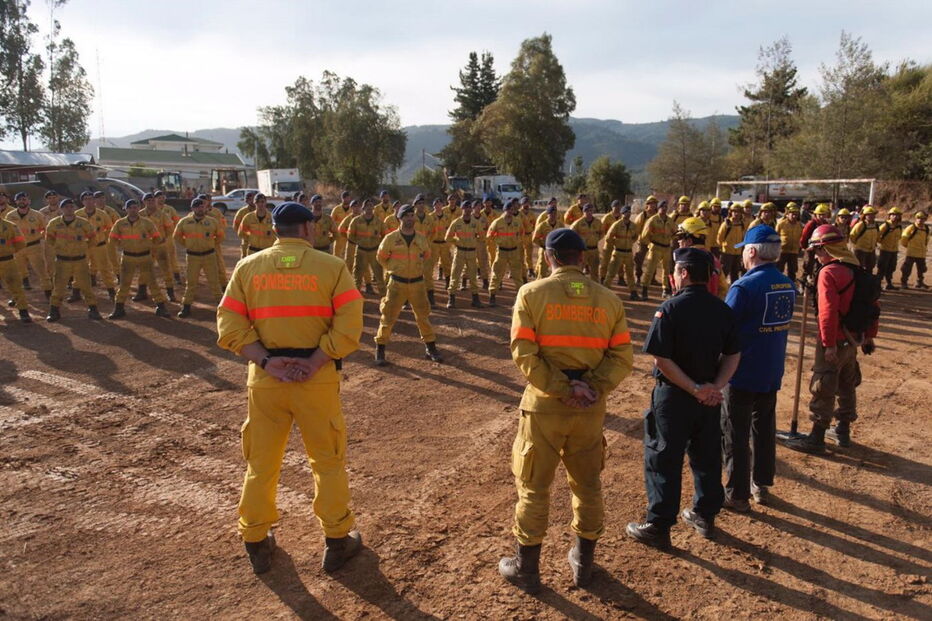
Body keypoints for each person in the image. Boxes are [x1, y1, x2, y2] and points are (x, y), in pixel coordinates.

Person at [216, 202, 365, 575]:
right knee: (327, 462)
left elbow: (228, 324)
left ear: (275, 231)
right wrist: (316, 361)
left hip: (266, 380)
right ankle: (336, 542)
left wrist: (267, 361)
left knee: (261, 465)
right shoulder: (331, 267)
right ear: (309, 229)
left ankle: (255, 539)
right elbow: (350, 325)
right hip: (316, 381)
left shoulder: (248, 267)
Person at [500, 228, 633, 592]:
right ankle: (584, 563)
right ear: (583, 258)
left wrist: (561, 387)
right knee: (588, 484)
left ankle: (527, 569)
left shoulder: (531, 294)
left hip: (544, 407)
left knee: (533, 488)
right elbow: (623, 356)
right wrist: (590, 387)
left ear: (549, 258)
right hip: (589, 409)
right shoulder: (609, 300)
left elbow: (523, 354)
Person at [626, 247, 740, 549]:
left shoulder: (670, 309)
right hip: (709, 399)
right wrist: (714, 387)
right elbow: (733, 354)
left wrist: (693, 388)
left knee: (663, 457)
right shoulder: (723, 309)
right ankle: (704, 514)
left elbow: (661, 359)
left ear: (684, 273)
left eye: (676, 271)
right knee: (706, 455)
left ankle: (659, 525)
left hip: (675, 397)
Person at [720, 226, 794, 512]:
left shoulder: (744, 287)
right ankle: (760, 484)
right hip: (771, 369)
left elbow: (725, 329)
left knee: (735, 433)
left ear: (751, 251)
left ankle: (737, 494)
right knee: (764, 428)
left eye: (743, 250)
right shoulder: (787, 283)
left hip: (741, 372)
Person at [786, 225, 878, 453]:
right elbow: (874, 306)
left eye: (818, 251)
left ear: (827, 249)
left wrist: (828, 344)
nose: (816, 256)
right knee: (847, 384)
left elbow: (827, 313)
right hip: (854, 338)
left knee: (824, 385)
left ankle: (816, 438)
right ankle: (842, 430)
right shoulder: (858, 269)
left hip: (835, 340)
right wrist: (869, 337)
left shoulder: (829, 273)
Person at [374, 204, 443, 365]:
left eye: (412, 215)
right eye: (406, 215)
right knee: (388, 317)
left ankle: (430, 348)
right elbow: (381, 257)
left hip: (417, 284)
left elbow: (426, 255)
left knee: (423, 317)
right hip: (397, 284)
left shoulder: (420, 238)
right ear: (399, 218)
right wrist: (393, 269)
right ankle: (380, 348)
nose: (410, 218)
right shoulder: (390, 238)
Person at [107, 199, 171, 319]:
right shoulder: (119, 224)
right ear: (125, 209)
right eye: (130, 207)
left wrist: (149, 246)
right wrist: (122, 245)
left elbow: (157, 238)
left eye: (135, 207)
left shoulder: (147, 223)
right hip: (128, 257)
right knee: (124, 284)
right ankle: (119, 308)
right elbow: (112, 240)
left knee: (152, 282)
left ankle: (161, 307)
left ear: (138, 208)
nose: (133, 210)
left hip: (145, 256)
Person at [45, 198, 102, 322]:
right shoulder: (54, 223)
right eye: (66, 207)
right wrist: (60, 247)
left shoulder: (84, 223)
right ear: (61, 209)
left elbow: (93, 239)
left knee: (86, 286)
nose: (69, 209)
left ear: (74, 208)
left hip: (80, 260)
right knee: (59, 286)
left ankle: (93, 309)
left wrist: (83, 248)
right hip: (62, 260)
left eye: (71, 206)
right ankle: (54, 310)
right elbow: (49, 239)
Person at [174, 198, 224, 318]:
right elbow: (177, 236)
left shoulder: (212, 221)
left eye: (202, 206)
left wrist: (210, 244)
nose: (200, 209)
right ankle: (186, 307)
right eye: (197, 206)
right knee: (191, 283)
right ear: (192, 208)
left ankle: (223, 308)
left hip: (209, 255)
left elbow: (220, 236)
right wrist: (188, 245)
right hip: (192, 257)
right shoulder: (184, 222)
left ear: (205, 208)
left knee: (214, 283)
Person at [6, 192, 51, 298]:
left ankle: (48, 293)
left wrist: (40, 237)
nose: (22, 201)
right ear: (16, 201)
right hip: (18, 248)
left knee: (42, 271)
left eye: (24, 199)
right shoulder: (10, 215)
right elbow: (7, 231)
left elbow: (45, 229)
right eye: (19, 199)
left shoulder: (37, 215)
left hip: (34, 247)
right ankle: (17, 296)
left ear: (29, 201)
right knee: (18, 272)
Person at [445, 199, 484, 308]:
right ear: (462, 209)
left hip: (472, 252)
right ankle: (451, 298)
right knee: (455, 275)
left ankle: (475, 299)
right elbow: (447, 237)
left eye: (469, 208)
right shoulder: (456, 222)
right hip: (460, 252)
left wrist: (474, 242)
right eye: (465, 208)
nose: (467, 210)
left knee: (473, 276)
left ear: (471, 209)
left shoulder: (476, 223)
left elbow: (482, 237)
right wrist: (456, 242)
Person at [487, 199, 526, 307]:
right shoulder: (497, 222)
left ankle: (520, 298)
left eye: (512, 209)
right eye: (508, 209)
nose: (510, 211)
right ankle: (492, 296)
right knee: (497, 273)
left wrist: (518, 240)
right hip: (502, 252)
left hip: (514, 251)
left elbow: (522, 232)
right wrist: (498, 241)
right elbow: (489, 236)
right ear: (504, 210)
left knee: (517, 275)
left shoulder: (517, 221)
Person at [139, 193, 177, 302]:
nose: (150, 202)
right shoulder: (140, 215)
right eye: (148, 201)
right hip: (146, 247)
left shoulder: (162, 214)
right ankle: (142, 291)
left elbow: (170, 228)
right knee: (144, 270)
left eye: (152, 200)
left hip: (160, 246)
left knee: (166, 269)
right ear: (144, 202)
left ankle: (170, 292)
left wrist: (164, 237)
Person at [347, 199, 386, 295]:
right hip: (361, 251)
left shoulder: (378, 222)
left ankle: (384, 298)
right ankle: (356, 297)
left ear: (373, 208)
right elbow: (350, 235)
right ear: (363, 208)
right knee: (357, 276)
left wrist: (379, 244)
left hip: (374, 252)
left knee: (379, 276)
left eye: (371, 205)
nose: (369, 207)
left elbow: (385, 235)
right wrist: (359, 242)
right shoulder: (356, 221)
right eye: (367, 205)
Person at [639, 198, 676, 299]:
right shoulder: (653, 220)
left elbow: (675, 232)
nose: (664, 209)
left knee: (666, 270)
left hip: (666, 248)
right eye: (662, 207)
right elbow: (644, 235)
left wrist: (671, 239)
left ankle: (665, 290)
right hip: (655, 247)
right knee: (650, 270)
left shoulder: (669, 220)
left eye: (665, 207)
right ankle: (644, 290)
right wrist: (649, 244)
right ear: (658, 208)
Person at [602, 205, 639, 300]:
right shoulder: (617, 225)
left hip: (629, 253)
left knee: (630, 274)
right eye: (626, 212)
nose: (628, 213)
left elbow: (636, 236)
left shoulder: (633, 226)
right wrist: (615, 243)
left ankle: (633, 292)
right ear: (622, 214)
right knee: (611, 273)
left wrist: (630, 242)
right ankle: (604, 292)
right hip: (618, 252)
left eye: (629, 212)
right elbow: (608, 237)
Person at [0, 214, 31, 322]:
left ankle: (23, 311)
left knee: (16, 286)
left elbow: (21, 243)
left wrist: (8, 251)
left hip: (8, 261)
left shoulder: (11, 226)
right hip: (7, 259)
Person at [155, 191, 184, 284]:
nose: (161, 199)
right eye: (159, 197)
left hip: (168, 238)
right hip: (154, 239)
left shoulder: (170, 209)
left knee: (172, 257)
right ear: (155, 199)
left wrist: (172, 233)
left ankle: (176, 276)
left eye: (163, 197)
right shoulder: (152, 210)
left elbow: (177, 222)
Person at [570, 203, 602, 278]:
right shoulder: (578, 223)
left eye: (591, 210)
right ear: (583, 212)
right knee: (579, 271)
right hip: (582, 250)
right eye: (587, 211)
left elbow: (602, 233)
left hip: (594, 250)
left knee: (595, 272)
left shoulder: (598, 222)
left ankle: (594, 288)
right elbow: (571, 234)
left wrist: (596, 239)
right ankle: (577, 287)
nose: (589, 213)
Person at [717, 205, 747, 284]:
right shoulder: (726, 224)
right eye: (734, 212)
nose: (736, 214)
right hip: (727, 253)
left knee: (735, 273)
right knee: (724, 273)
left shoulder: (742, 224)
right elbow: (719, 238)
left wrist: (741, 249)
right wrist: (722, 249)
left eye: (738, 212)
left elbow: (743, 238)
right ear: (731, 212)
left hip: (737, 253)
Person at [900, 211, 929, 289]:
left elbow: (927, 239)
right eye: (918, 218)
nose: (920, 220)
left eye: (922, 218)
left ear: (925, 219)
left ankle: (919, 282)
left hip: (921, 253)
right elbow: (903, 239)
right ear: (916, 219)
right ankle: (904, 283)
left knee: (921, 269)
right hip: (911, 253)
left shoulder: (926, 228)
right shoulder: (911, 227)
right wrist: (908, 246)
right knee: (906, 269)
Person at [876, 207, 904, 290]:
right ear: (889, 216)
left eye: (897, 215)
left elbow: (899, 237)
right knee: (882, 268)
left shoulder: (899, 226)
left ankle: (889, 283)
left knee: (891, 267)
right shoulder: (885, 225)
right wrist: (882, 243)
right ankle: (877, 284)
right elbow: (877, 236)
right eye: (893, 215)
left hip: (894, 251)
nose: (895, 217)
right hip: (885, 250)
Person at [775, 203, 802, 285]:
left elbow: (801, 238)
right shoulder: (781, 224)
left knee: (792, 271)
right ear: (787, 214)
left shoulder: (799, 225)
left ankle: (791, 286)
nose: (794, 216)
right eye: (792, 214)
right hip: (782, 251)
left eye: (796, 214)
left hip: (794, 252)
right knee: (779, 270)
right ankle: (777, 284)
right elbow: (775, 236)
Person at [634, 197, 659, 281]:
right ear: (647, 205)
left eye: (654, 204)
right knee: (639, 260)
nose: (652, 205)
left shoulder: (658, 215)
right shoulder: (642, 215)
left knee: (654, 260)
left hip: (655, 242)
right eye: (650, 203)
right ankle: (638, 277)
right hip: (643, 242)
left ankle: (652, 278)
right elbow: (636, 229)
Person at [598, 200, 623, 283]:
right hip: (609, 242)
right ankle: (602, 277)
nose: (617, 208)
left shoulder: (622, 217)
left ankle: (621, 278)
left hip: (620, 242)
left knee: (620, 261)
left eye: (619, 206)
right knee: (605, 261)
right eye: (615, 206)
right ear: (612, 207)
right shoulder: (607, 217)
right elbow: (602, 229)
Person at [430, 198, 452, 289]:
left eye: (440, 204)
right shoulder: (430, 217)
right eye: (436, 204)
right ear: (434, 206)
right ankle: (429, 283)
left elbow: (450, 229)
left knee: (446, 263)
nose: (438, 206)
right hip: (433, 244)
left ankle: (448, 282)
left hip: (444, 243)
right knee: (430, 264)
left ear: (442, 206)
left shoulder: (447, 217)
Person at [849, 206, 880, 273]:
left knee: (870, 267)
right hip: (860, 251)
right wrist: (857, 246)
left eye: (873, 214)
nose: (871, 216)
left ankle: (867, 281)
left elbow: (877, 236)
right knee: (858, 268)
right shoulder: (860, 225)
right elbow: (852, 236)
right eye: (869, 214)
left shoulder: (876, 225)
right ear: (865, 216)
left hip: (871, 250)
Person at [232, 191, 258, 259]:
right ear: (247, 201)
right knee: (245, 260)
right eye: (250, 199)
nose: (253, 201)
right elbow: (236, 226)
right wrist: (247, 235)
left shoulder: (262, 211)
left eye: (254, 199)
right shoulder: (242, 212)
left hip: (261, 243)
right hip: (247, 243)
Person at [518, 197, 537, 278]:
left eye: (527, 203)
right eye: (524, 203)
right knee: (519, 254)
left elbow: (535, 224)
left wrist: (531, 230)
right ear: (521, 204)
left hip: (529, 235)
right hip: (520, 236)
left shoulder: (531, 214)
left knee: (529, 254)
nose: (526, 205)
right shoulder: (518, 213)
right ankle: (516, 271)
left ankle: (530, 269)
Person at [330, 192, 352, 260]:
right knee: (336, 255)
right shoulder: (336, 209)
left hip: (349, 237)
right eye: (345, 198)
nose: (347, 199)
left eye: (348, 198)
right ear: (342, 199)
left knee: (348, 256)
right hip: (339, 236)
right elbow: (331, 222)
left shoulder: (352, 210)